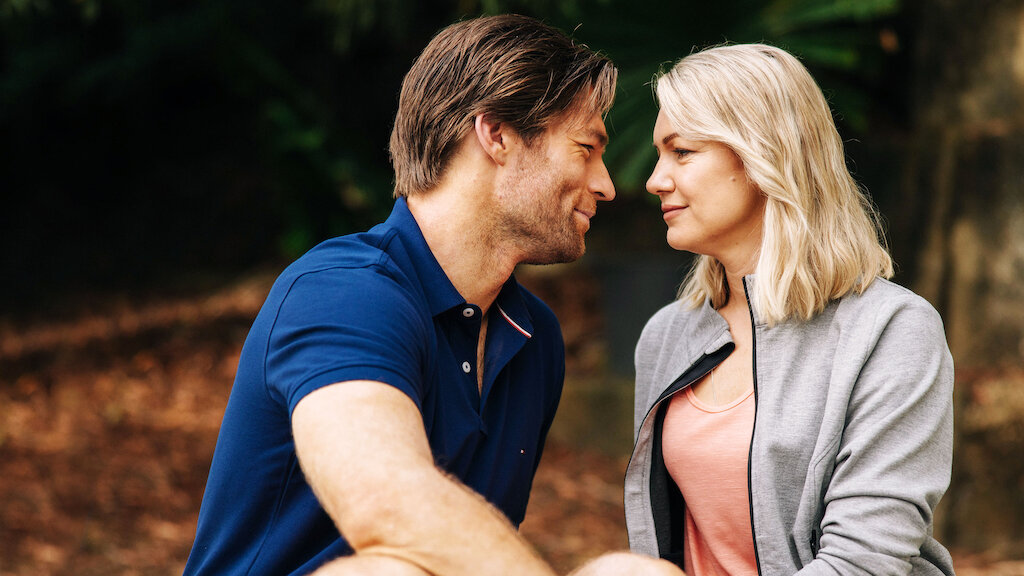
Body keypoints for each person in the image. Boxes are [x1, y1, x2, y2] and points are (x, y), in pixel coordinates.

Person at [183, 14, 681, 576]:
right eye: (586, 148)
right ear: (496, 134)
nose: (606, 185)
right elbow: (388, 506)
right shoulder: (343, 292)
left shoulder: (533, 336)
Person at [625, 43, 955, 575]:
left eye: (681, 152)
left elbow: (864, 562)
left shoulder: (891, 331)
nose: (655, 179)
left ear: (762, 155)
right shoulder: (667, 335)